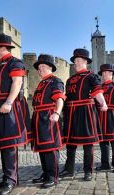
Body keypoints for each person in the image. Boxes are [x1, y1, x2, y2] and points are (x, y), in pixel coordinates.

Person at [0, 34, 31, 195]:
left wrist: (8, 102)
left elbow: (17, 82)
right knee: (3, 145)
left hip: (8, 106)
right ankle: (9, 176)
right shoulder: (1, 64)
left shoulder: (15, 62)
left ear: (1, 47)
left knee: (9, 143)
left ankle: (11, 180)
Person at [59, 48, 107, 181]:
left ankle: (88, 170)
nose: (77, 63)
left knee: (88, 143)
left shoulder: (92, 76)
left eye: (79, 60)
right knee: (70, 143)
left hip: (86, 111)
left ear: (86, 61)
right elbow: (67, 97)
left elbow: (97, 92)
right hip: (71, 112)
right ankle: (69, 170)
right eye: (75, 61)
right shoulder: (69, 80)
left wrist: (103, 104)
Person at [31, 54, 65, 188]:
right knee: (42, 148)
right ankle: (45, 174)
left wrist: (57, 112)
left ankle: (53, 176)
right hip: (38, 116)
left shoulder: (56, 81)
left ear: (50, 67)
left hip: (49, 115)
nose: (40, 70)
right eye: (38, 68)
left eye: (43, 67)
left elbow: (59, 99)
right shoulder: (41, 83)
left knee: (50, 148)